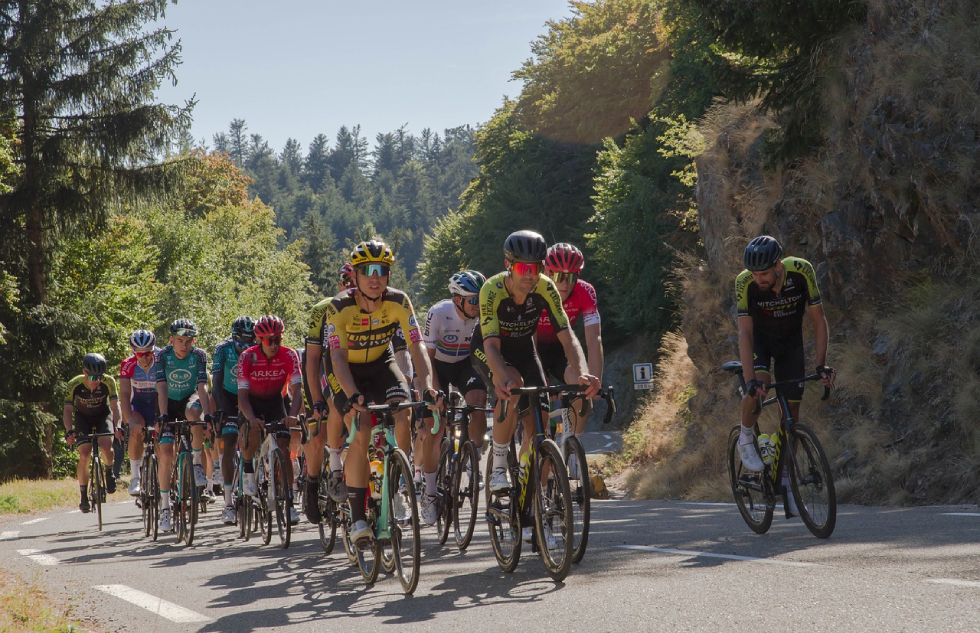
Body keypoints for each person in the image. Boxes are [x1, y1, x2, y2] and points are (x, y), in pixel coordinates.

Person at [325, 238, 441, 542]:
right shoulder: (339, 306)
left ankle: (396, 480)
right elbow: (336, 358)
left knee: (402, 410)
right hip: (346, 371)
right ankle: (358, 518)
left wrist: (427, 385)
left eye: (382, 270)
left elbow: (417, 348)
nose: (375, 277)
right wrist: (351, 394)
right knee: (361, 429)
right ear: (356, 275)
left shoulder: (400, 301)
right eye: (368, 270)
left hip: (380, 363)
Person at [470, 230, 599, 497]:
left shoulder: (545, 286)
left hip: (525, 351)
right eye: (522, 268)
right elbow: (491, 346)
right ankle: (498, 465)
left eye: (536, 268)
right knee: (512, 386)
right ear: (508, 265)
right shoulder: (491, 290)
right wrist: (502, 376)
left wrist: (584, 373)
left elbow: (568, 337)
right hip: (490, 350)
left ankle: (532, 498)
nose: (530, 275)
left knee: (541, 427)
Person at [735, 235, 835, 516]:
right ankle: (745, 438)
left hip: (791, 345)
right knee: (759, 389)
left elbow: (818, 319)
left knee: (792, 416)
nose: (758, 279)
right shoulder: (744, 282)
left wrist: (821, 365)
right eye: (754, 274)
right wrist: (751, 378)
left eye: (764, 273)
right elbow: (744, 332)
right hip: (760, 345)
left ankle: (786, 476)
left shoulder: (802, 271)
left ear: (778, 265)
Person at [418, 270, 489, 525]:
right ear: (458, 300)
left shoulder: (482, 317)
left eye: (480, 300)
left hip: (466, 365)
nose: (478, 306)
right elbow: (426, 357)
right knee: (435, 430)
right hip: (437, 366)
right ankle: (429, 493)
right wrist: (434, 392)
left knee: (479, 403)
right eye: (473, 301)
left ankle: (473, 459)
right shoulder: (438, 313)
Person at [537, 243, 603, 476]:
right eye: (558, 276)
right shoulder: (535, 289)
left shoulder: (585, 291)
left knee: (584, 390)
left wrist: (595, 381)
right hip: (532, 349)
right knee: (539, 409)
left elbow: (593, 339)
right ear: (547, 273)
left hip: (563, 349)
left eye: (571, 276)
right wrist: (544, 384)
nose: (565, 283)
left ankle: (573, 446)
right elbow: (527, 342)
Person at [301, 262, 356, 524]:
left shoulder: (376, 306)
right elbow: (311, 361)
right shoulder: (321, 310)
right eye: (348, 283)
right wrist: (316, 401)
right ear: (340, 285)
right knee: (318, 431)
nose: (353, 288)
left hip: (357, 370)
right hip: (323, 369)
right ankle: (313, 484)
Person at [237, 314, 304, 526]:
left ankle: (290, 502)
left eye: (278, 339)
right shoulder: (247, 357)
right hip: (252, 403)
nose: (274, 344)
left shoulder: (289, 355)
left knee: (284, 449)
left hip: (277, 400)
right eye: (269, 341)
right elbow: (242, 397)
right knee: (251, 433)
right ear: (259, 340)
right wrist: (251, 418)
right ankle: (248, 470)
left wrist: (292, 415)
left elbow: (297, 390)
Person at [155, 318, 211, 532]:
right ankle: (165, 507)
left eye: (188, 341)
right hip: (167, 402)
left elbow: (202, 387)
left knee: (194, 413)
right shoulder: (162, 356)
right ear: (171, 340)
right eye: (180, 340)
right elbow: (161, 387)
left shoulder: (199, 356)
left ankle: (196, 463)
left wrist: (209, 415)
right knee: (167, 454)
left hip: (189, 398)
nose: (184, 345)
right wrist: (163, 415)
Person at [63, 353, 121, 512]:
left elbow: (115, 407)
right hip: (83, 418)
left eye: (100, 376)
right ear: (85, 373)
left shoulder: (109, 381)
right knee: (84, 453)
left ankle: (109, 472)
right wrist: (69, 431)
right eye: (94, 376)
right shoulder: (74, 384)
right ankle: (83, 495)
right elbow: (68, 410)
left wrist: (118, 426)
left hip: (103, 415)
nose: (97, 381)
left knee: (105, 446)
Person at [211, 315, 255, 525]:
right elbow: (216, 385)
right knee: (228, 443)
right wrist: (223, 410)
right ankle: (228, 503)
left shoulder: (257, 350)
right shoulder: (223, 349)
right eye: (240, 344)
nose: (245, 348)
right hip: (228, 395)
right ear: (232, 338)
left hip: (251, 394)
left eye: (250, 343)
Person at [118, 330, 159, 496]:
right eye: (139, 354)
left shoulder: (161, 360)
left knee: (164, 439)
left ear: (154, 350)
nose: (144, 357)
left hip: (157, 405)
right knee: (135, 431)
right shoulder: (128, 364)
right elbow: (125, 395)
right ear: (133, 352)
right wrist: (130, 421)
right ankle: (135, 476)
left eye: (148, 352)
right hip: (139, 406)